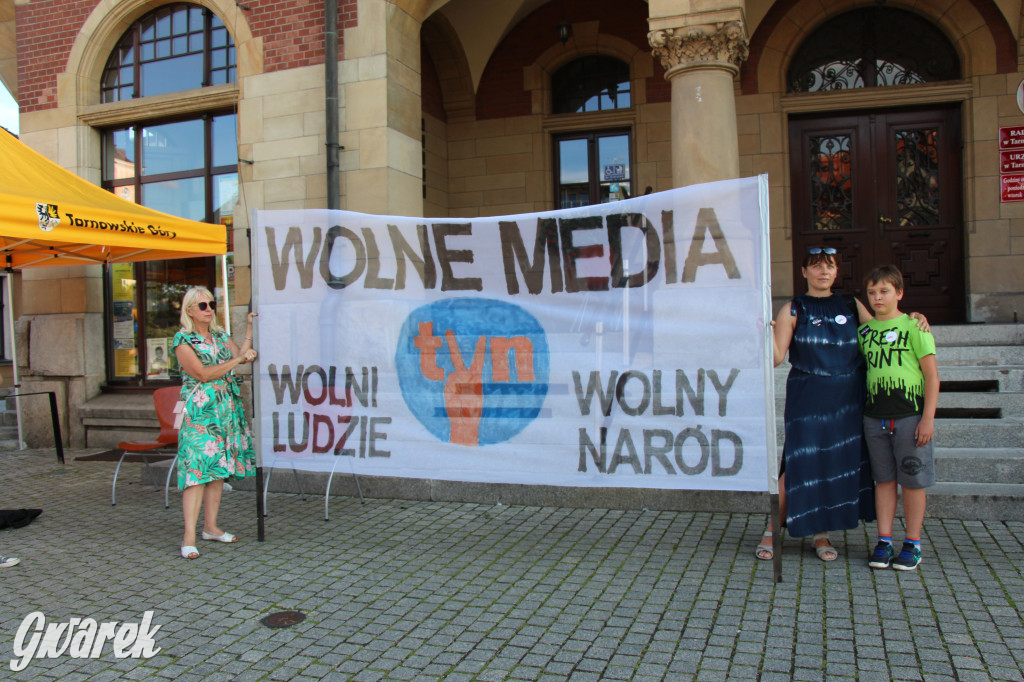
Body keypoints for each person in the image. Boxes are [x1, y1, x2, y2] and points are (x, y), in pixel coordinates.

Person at [756, 247, 928, 562]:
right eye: (816, 266)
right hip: (808, 398)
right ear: (804, 272)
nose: (823, 271)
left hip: (848, 399)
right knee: (799, 464)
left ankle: (821, 534)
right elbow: (778, 357)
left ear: (837, 272)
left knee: (832, 465)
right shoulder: (793, 309)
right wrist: (763, 336)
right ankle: (771, 529)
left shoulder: (850, 304)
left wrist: (914, 317)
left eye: (829, 266)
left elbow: (882, 326)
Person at [859, 265, 939, 571]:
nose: (878, 297)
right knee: (884, 481)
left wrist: (927, 418)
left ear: (899, 293)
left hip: (909, 417)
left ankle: (913, 543)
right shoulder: (864, 332)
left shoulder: (915, 328)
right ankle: (884, 541)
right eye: (872, 292)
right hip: (875, 418)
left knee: (913, 480)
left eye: (884, 291)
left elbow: (932, 376)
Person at [173, 287, 258, 560]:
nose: (209, 309)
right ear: (189, 311)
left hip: (224, 409)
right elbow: (203, 373)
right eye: (202, 305)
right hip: (200, 412)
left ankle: (210, 527)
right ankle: (188, 536)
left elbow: (240, 355)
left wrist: (248, 328)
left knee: (218, 470)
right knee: (196, 472)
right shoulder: (183, 339)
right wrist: (237, 359)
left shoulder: (220, 335)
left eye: (211, 304)